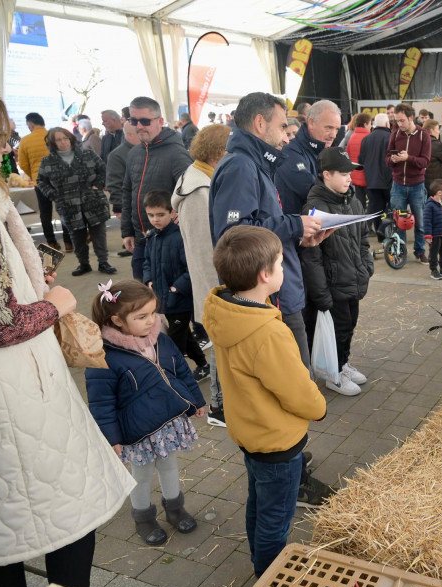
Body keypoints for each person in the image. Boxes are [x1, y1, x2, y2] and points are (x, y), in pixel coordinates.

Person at [0, 95, 135, 587]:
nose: (6, 149)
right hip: (13, 396)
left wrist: (32, 282)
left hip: (15, 395)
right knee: (66, 515)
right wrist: (53, 303)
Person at [209, 92, 333, 507]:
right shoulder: (242, 166)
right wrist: (295, 224)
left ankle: (292, 465)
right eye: (283, 126)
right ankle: (289, 478)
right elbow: (238, 236)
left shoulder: (252, 162)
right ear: (260, 124)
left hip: (278, 286)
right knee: (288, 381)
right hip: (270, 297)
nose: (288, 135)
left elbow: (260, 226)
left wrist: (300, 231)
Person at [203, 225, 327, 576]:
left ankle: (260, 559)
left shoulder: (224, 310)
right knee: (276, 518)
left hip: (249, 433)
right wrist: (319, 407)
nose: (285, 268)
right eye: (281, 263)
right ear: (264, 275)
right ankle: (270, 578)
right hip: (277, 443)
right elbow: (296, 390)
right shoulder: (268, 332)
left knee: (258, 503)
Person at [86, 280, 206, 546]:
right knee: (141, 474)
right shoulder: (104, 356)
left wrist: (196, 400)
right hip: (137, 430)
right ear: (117, 320)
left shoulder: (160, 339)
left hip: (167, 420)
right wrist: (111, 438)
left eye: (153, 313)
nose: (151, 321)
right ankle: (143, 518)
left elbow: (180, 370)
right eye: (141, 316)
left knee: (170, 465)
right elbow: (101, 403)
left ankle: (175, 508)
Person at [300, 147, 374, 396]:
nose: (348, 178)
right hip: (333, 285)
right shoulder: (315, 208)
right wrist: (321, 294)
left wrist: (366, 267)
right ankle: (334, 374)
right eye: (342, 173)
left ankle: (343, 363)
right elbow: (311, 257)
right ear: (326, 175)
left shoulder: (353, 201)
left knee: (349, 326)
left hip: (353, 279)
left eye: (350, 173)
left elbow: (364, 239)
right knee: (338, 329)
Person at [172, 123, 231, 425]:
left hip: (215, 284)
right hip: (214, 285)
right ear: (219, 153)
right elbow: (203, 250)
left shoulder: (201, 179)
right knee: (222, 345)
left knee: (224, 344)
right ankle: (219, 407)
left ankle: (222, 404)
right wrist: (220, 293)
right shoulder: (199, 189)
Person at [121, 96, 193, 281]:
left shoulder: (177, 154)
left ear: (160, 121)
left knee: (169, 300)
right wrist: (127, 231)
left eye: (145, 121)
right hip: (141, 238)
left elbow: (191, 194)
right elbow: (128, 192)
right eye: (133, 120)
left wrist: (180, 217)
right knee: (141, 295)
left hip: (168, 242)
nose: (139, 126)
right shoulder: (134, 153)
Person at [141, 190, 209, 380]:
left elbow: (192, 268)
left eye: (160, 214)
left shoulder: (180, 237)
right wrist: (148, 280)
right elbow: (147, 262)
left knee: (174, 342)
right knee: (184, 336)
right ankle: (203, 365)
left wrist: (176, 288)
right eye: (151, 215)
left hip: (179, 299)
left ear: (172, 213)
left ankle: (174, 377)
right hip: (162, 298)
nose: (155, 219)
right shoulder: (152, 238)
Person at [36, 126, 117, 276]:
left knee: (99, 234)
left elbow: (103, 169)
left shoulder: (87, 154)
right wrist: (54, 195)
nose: (63, 142)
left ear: (71, 138)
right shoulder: (48, 161)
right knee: (77, 237)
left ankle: (103, 262)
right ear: (52, 143)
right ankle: (84, 264)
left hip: (93, 201)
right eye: (58, 140)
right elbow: (41, 181)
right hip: (68, 206)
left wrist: (98, 185)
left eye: (65, 138)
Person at [275, 100, 342, 217]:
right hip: (298, 230)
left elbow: (347, 183)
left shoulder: (328, 150)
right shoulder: (289, 152)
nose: (334, 135)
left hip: (320, 226)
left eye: (337, 129)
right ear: (311, 123)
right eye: (329, 128)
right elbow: (309, 188)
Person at [20, 112, 72, 251]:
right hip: (60, 180)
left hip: (40, 182)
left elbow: (23, 164)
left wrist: (34, 175)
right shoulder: (54, 137)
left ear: (30, 124)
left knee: (45, 213)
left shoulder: (25, 141)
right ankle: (68, 242)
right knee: (64, 210)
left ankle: (52, 242)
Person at [386, 103, 432, 263]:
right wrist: (392, 159)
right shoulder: (395, 134)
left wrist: (408, 158)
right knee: (399, 221)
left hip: (417, 186)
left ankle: (419, 251)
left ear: (411, 118)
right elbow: (386, 159)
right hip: (397, 185)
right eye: (397, 121)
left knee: (419, 222)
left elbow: (425, 161)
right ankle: (401, 250)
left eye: (402, 121)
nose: (399, 124)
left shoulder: (423, 135)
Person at [360, 113, 393, 238]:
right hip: (387, 181)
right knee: (391, 207)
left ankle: (380, 234)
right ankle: (384, 229)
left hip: (371, 181)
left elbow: (361, 159)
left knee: (376, 209)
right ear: (386, 124)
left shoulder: (366, 139)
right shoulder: (390, 137)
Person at [105, 120, 140, 218]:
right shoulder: (117, 156)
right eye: (140, 132)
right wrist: (120, 208)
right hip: (131, 208)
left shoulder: (149, 149)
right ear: (130, 135)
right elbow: (114, 185)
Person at [345, 112, 372, 206]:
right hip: (367, 176)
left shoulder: (352, 136)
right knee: (372, 204)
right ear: (365, 124)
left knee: (359, 204)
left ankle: (360, 220)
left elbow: (347, 154)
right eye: (370, 123)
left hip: (355, 176)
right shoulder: (369, 137)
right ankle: (369, 221)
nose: (371, 126)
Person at [423, 118, 442, 191]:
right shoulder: (436, 144)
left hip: (424, 182)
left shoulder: (421, 143)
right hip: (437, 184)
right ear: (431, 131)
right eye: (437, 129)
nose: (439, 132)